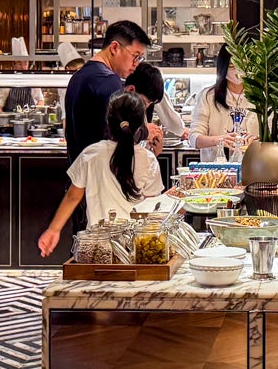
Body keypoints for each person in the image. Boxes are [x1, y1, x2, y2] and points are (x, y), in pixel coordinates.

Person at [38, 91, 164, 251]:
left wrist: (53, 230)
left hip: (96, 246)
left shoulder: (91, 154)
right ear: (141, 125)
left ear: (108, 121)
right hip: (134, 247)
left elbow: (73, 196)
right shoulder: (148, 159)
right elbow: (151, 207)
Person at [63, 20, 155, 162]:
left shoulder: (78, 76)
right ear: (114, 48)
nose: (136, 64)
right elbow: (121, 135)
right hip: (101, 171)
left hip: (79, 169)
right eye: (135, 56)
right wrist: (146, 132)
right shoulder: (109, 81)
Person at [190, 44, 258, 163]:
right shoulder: (208, 96)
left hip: (253, 166)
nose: (237, 70)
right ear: (223, 66)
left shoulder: (260, 98)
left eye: (241, 65)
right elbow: (194, 139)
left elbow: (272, 138)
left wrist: (257, 141)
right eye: (231, 66)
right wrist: (219, 140)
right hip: (216, 169)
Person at [125, 62, 186, 143]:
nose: (145, 108)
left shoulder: (149, 87)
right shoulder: (114, 98)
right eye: (144, 103)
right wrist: (144, 133)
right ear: (130, 89)